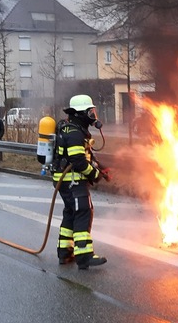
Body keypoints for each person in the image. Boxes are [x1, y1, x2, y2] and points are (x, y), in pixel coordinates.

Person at [52, 94, 109, 269]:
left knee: (71, 212)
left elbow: (86, 156)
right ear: (79, 113)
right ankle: (84, 255)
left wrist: (102, 168)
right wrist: (95, 175)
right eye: (90, 112)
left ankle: (65, 252)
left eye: (93, 112)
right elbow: (78, 160)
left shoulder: (73, 129)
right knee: (83, 211)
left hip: (65, 181)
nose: (93, 116)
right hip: (73, 181)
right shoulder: (75, 133)